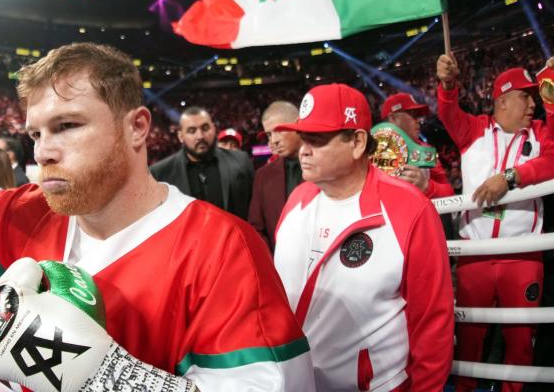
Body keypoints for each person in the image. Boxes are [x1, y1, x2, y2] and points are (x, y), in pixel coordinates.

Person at [0, 42, 314, 391]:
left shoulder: (223, 248)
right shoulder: (38, 209)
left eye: (68, 126)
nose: (44, 151)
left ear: (136, 127)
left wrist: (107, 374)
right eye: (35, 133)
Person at [273, 83, 454, 391]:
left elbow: (432, 322)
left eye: (317, 139)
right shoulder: (296, 201)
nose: (303, 150)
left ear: (357, 142)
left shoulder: (409, 209)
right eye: (304, 138)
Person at [437, 53, 554, 392]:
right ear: (502, 101)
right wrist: (447, 85)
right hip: (476, 253)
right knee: (470, 337)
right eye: (525, 97)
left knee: (521, 341)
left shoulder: (542, 132)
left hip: (523, 254)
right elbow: (447, 111)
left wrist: (510, 177)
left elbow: (552, 162)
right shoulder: (473, 129)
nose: (532, 104)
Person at [150, 106, 254, 220]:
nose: (200, 136)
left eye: (205, 128)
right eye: (192, 131)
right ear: (180, 136)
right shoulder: (160, 173)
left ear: (214, 129)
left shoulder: (241, 161)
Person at [249, 101, 302, 251]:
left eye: (279, 130)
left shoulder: (325, 167)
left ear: (298, 124)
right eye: (269, 134)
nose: (273, 140)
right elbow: (257, 229)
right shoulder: (263, 176)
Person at [378, 92, 454, 198]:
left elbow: (448, 193)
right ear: (393, 118)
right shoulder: (370, 154)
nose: (419, 121)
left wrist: (427, 186)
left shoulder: (425, 151)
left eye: (419, 116)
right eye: (413, 115)